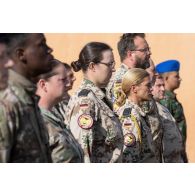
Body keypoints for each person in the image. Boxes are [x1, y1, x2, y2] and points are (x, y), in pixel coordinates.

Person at [65, 42, 123, 163]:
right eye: (109, 64)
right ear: (92, 66)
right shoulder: (85, 101)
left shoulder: (100, 98)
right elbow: (83, 153)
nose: (113, 69)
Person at [0, 33, 53, 163]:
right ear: (21, 55)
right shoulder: (7, 103)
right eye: (41, 44)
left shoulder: (28, 98)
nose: (49, 49)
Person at [36, 59, 84, 163]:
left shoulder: (55, 120)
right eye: (63, 80)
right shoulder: (36, 123)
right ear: (44, 85)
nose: (68, 83)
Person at [116, 68, 160, 162]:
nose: (151, 89)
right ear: (134, 88)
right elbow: (130, 156)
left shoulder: (139, 112)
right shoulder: (130, 115)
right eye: (148, 85)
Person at [107, 33, 152, 110]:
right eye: (144, 50)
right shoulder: (122, 80)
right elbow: (124, 116)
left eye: (148, 49)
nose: (149, 53)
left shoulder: (139, 77)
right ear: (130, 54)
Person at [156, 59, 188, 162]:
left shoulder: (171, 99)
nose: (180, 79)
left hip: (177, 152)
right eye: (176, 76)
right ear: (166, 78)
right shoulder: (165, 101)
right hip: (169, 155)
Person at [151, 74, 184, 162]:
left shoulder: (161, 107)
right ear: (150, 87)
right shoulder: (150, 110)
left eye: (163, 85)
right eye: (158, 86)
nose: (163, 89)